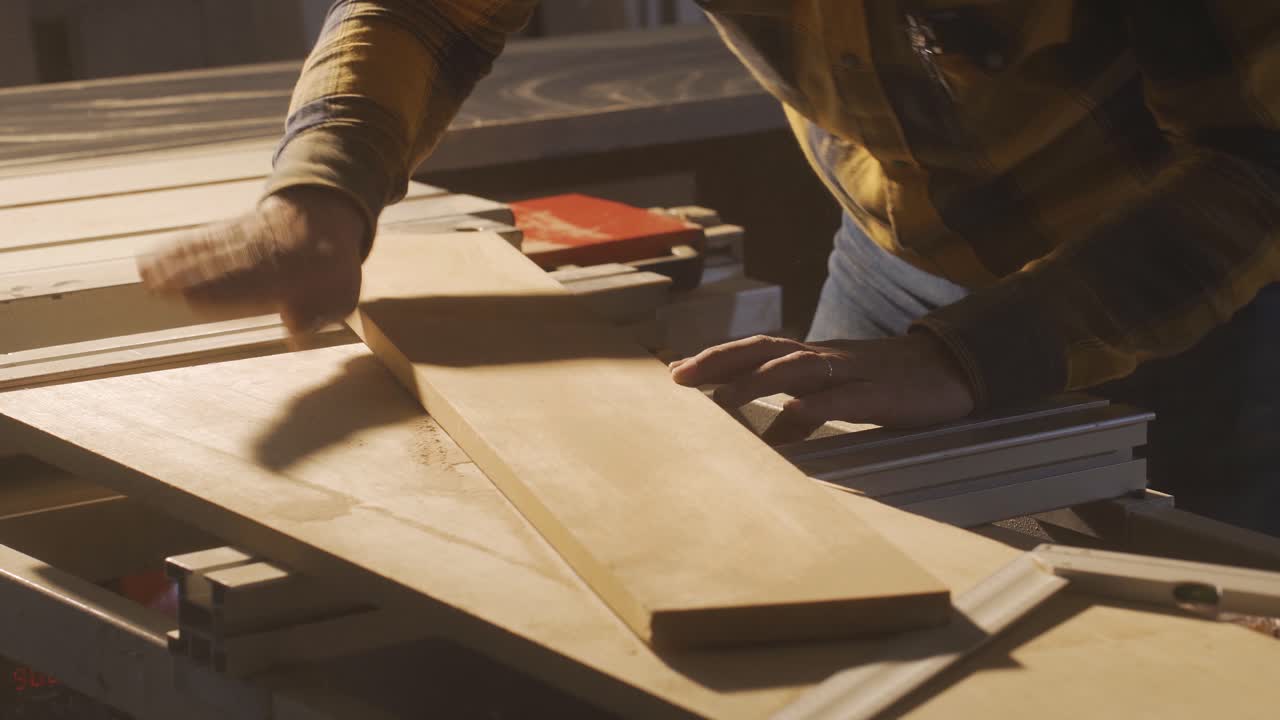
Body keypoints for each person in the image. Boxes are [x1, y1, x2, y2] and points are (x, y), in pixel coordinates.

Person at [138, 2, 1280, 534]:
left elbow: (1259, 161)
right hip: (891, 264)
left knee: (1201, 644)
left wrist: (977, 357)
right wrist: (326, 191)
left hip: (1209, 292)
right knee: (860, 589)